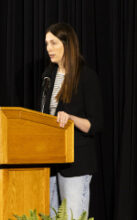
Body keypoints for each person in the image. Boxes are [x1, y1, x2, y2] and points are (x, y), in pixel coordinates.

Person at [41, 23, 103, 217]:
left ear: (67, 45)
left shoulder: (86, 77)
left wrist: (70, 118)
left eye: (53, 43)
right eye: (47, 44)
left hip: (77, 163)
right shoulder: (47, 76)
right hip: (50, 161)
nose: (48, 48)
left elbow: (94, 125)